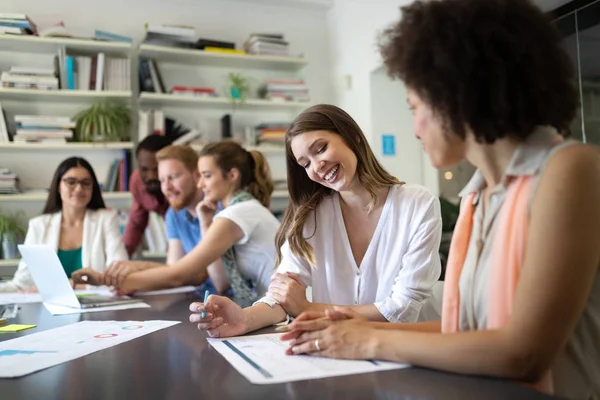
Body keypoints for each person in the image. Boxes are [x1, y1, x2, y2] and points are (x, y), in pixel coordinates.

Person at [277, 1, 600, 399]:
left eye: (415, 107)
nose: (414, 129)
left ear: (456, 93)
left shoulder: (570, 169)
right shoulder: (476, 197)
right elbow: (465, 329)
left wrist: (367, 341)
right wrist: (354, 328)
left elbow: (523, 353)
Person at [189, 104, 443, 338]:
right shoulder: (310, 216)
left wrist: (309, 308)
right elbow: (282, 296)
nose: (316, 166)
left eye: (320, 148)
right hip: (339, 351)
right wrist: (243, 318)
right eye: (305, 163)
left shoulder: (417, 204)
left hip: (409, 351)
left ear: (352, 137)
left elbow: (402, 309)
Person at [73, 141, 279, 306]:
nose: (201, 184)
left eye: (206, 176)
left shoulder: (236, 214)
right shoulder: (234, 210)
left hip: (276, 306)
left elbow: (180, 274)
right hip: (261, 303)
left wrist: (102, 280)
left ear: (232, 176)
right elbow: (222, 282)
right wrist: (206, 223)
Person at [102, 145, 228, 294]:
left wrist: (134, 272)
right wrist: (136, 279)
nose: (166, 187)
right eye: (162, 180)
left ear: (197, 176)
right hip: (202, 298)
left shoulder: (222, 209)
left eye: (173, 177)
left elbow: (199, 276)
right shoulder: (173, 215)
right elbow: (174, 269)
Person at [0, 157, 128, 292]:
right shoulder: (39, 226)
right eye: (71, 182)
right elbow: (21, 284)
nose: (79, 188)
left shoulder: (106, 219)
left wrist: (67, 286)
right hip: (48, 310)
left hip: (96, 307)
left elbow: (119, 275)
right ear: (58, 187)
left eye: (86, 183)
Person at [123, 135, 172, 256]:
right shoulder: (136, 181)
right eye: (144, 169)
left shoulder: (181, 184)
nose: (151, 176)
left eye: (157, 169)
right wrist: (120, 258)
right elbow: (136, 223)